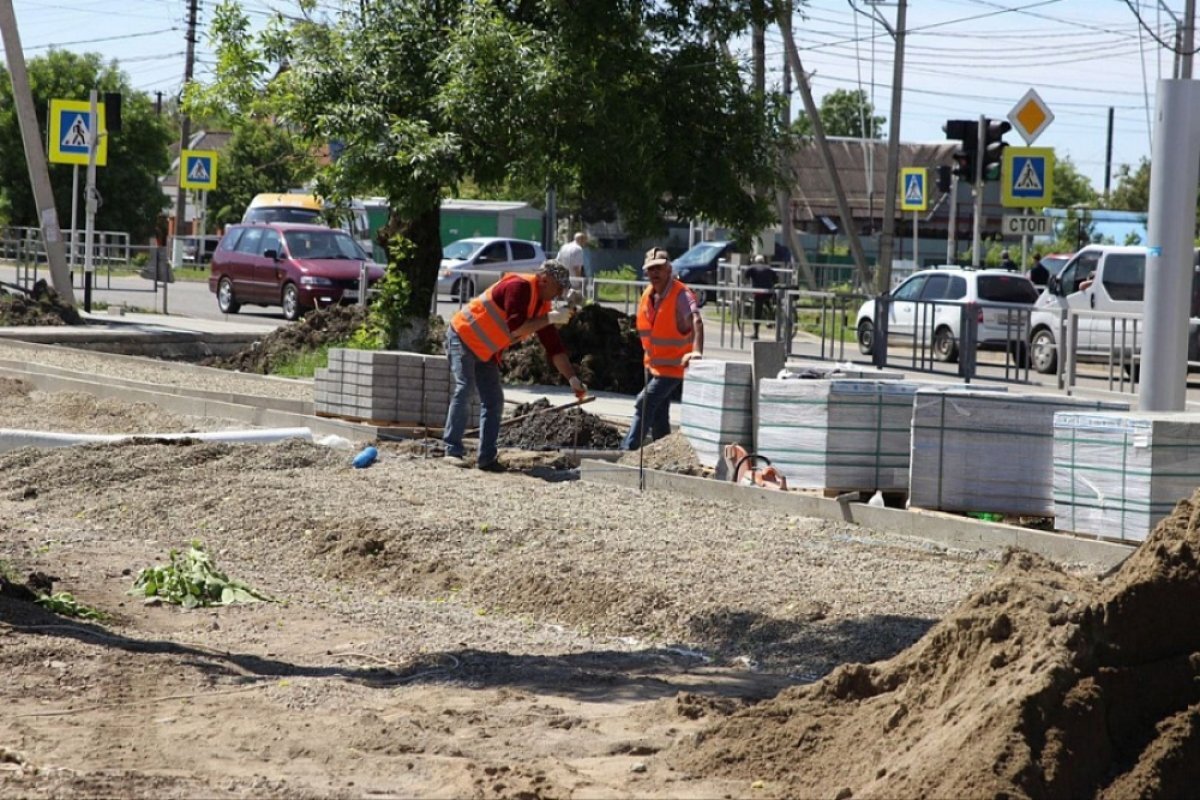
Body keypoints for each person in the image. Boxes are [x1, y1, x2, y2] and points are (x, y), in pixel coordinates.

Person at [443, 260, 587, 471]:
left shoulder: (542, 305)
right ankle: (452, 449)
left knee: (494, 401)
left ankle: (487, 459)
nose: (559, 294)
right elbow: (515, 328)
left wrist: (573, 379)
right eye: (558, 288)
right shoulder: (519, 287)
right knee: (465, 388)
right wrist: (549, 318)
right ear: (544, 280)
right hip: (463, 337)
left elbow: (554, 347)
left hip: (486, 350)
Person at [621, 247, 704, 451]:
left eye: (659, 268)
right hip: (654, 366)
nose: (654, 273)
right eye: (651, 269)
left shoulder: (681, 294)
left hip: (674, 366)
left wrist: (697, 350)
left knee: (645, 402)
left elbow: (696, 320)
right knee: (658, 416)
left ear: (669, 269)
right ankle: (662, 455)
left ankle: (626, 451)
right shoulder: (648, 294)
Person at [743, 254, 777, 339]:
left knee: (757, 312)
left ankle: (756, 333)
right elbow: (776, 278)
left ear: (755, 261)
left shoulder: (752, 267)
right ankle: (771, 317)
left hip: (758, 293)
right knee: (768, 304)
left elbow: (745, 276)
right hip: (769, 292)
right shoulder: (769, 268)